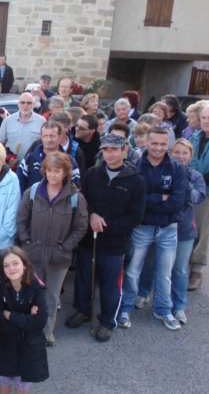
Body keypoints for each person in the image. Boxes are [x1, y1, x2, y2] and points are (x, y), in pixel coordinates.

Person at [67, 133, 145, 342]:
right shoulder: (92, 173)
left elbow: (135, 217)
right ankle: (83, 311)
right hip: (88, 240)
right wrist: (92, 215)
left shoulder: (136, 180)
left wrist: (106, 227)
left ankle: (108, 321)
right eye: (106, 149)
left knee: (111, 286)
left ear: (124, 151)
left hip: (114, 244)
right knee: (84, 279)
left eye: (114, 149)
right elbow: (84, 201)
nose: (109, 154)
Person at [118, 127, 186, 331]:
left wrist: (148, 201)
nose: (158, 147)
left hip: (168, 228)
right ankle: (125, 308)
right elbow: (132, 201)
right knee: (132, 271)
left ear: (168, 145)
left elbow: (177, 202)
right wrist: (160, 198)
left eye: (163, 144)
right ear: (146, 142)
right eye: (154, 143)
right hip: (142, 227)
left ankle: (163, 309)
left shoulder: (177, 168)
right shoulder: (135, 165)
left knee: (164, 273)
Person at [16, 152, 88, 346]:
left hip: (59, 258)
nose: (53, 175)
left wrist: (66, 247)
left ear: (65, 173)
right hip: (33, 255)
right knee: (29, 294)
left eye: (58, 171)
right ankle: (27, 328)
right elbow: (21, 219)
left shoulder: (75, 197)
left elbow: (80, 227)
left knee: (51, 296)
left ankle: (47, 331)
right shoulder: (32, 192)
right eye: (50, 170)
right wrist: (26, 242)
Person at [135, 139, 206, 325]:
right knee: (150, 263)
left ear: (190, 156)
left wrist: (182, 181)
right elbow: (148, 197)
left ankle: (179, 306)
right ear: (170, 153)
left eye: (185, 153)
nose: (180, 156)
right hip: (160, 226)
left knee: (180, 270)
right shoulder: (163, 171)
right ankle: (143, 293)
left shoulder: (195, 176)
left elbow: (196, 199)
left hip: (183, 230)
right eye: (177, 152)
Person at [0, 246, 49, 392]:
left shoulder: (36, 287)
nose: (12, 268)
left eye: (15, 263)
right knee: (3, 383)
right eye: (6, 265)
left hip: (28, 348)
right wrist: (28, 320)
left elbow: (40, 321)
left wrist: (10, 315)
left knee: (22, 385)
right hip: (5, 347)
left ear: (24, 264)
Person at [187, 104, 209, 290]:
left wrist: (200, 181)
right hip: (189, 189)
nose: (206, 121)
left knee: (202, 232)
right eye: (204, 117)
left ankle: (197, 269)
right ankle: (182, 266)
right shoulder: (195, 136)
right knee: (187, 228)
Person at [16, 121, 80, 195]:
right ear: (41, 138)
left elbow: (75, 187)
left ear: (60, 137)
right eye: (45, 136)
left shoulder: (69, 161)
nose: (49, 139)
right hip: (33, 205)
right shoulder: (30, 159)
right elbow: (18, 185)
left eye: (52, 136)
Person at [24, 111, 86, 177]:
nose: (53, 128)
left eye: (57, 126)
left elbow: (79, 177)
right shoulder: (38, 144)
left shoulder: (75, 150)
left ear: (67, 128)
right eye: (51, 125)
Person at [0, 92, 46, 165]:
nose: (25, 105)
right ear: (18, 104)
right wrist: (6, 158)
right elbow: (0, 143)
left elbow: (45, 143)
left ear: (33, 104)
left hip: (33, 165)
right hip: (12, 166)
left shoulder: (42, 121)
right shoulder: (7, 121)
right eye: (22, 102)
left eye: (29, 103)